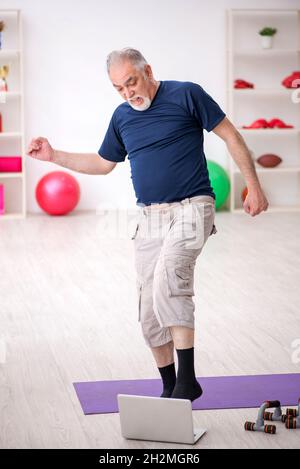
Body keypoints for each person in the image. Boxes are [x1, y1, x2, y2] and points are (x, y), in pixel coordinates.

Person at [27, 48, 268, 402]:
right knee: (148, 308)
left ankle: (188, 381)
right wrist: (53, 156)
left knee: (171, 276)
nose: (128, 93)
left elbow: (231, 136)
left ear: (148, 71)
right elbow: (102, 163)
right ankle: (170, 387)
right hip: (150, 216)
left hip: (193, 205)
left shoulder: (187, 94)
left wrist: (254, 186)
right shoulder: (122, 116)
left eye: (132, 82)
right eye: (118, 88)